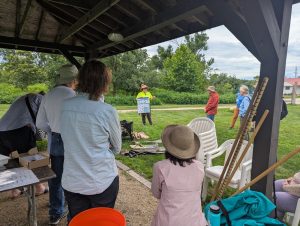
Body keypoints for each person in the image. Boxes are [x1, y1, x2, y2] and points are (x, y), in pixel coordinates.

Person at [60, 60, 121, 222]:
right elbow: (117, 148)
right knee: (101, 222)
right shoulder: (107, 111)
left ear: (80, 79)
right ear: (104, 83)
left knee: (79, 221)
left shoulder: (65, 106)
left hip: (73, 180)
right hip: (101, 180)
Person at [36, 64, 78, 225]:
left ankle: (55, 212)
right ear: (74, 80)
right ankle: (74, 210)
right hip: (74, 138)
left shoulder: (48, 95)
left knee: (56, 177)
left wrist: (53, 130)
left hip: (56, 139)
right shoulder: (76, 95)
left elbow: (40, 123)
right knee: (74, 175)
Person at [151, 125, 207, 226]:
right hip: (195, 221)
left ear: (168, 147)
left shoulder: (160, 167)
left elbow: (156, 194)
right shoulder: (200, 167)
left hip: (167, 221)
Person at [0, 93, 47, 198]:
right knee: (31, 158)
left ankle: (15, 189)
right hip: (21, 130)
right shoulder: (40, 98)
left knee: (11, 158)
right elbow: (43, 119)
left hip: (2, 131)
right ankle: (40, 187)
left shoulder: (23, 98)